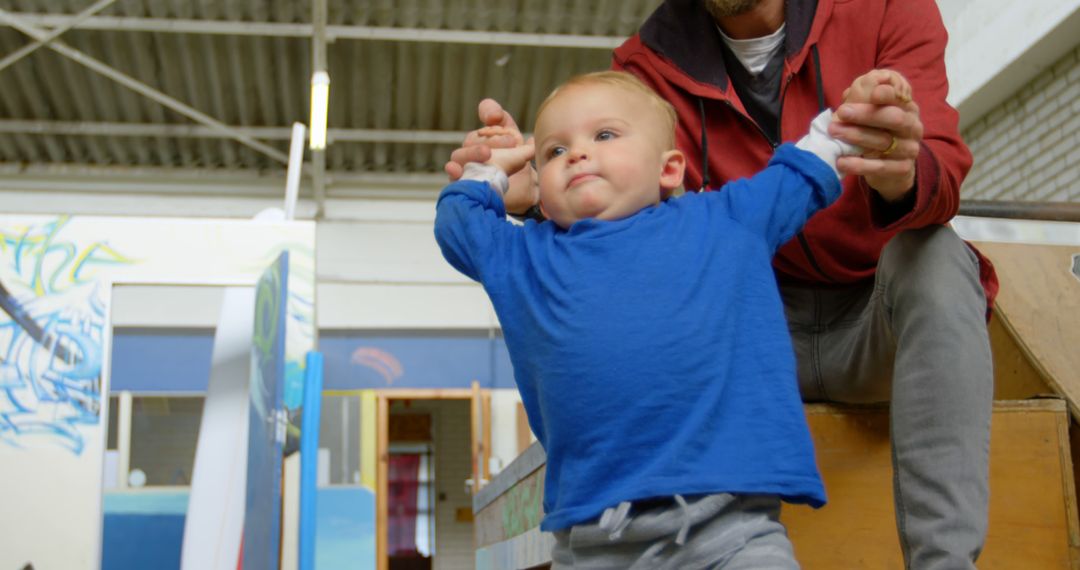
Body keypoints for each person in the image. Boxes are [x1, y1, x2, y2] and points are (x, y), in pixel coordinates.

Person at [447, 2, 997, 568]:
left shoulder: (884, 8)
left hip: (872, 329)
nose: (578, 151)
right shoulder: (644, 67)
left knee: (936, 255)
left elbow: (942, 170)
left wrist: (898, 166)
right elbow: (628, 239)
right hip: (746, 340)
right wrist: (539, 188)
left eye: (598, 136)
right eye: (559, 148)